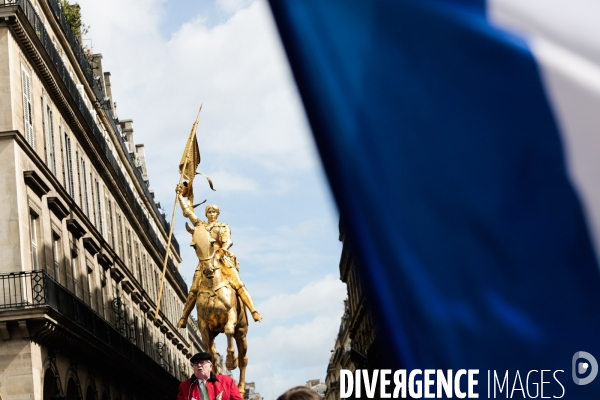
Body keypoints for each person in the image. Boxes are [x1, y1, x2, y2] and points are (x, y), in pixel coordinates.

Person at [176, 183, 262, 328]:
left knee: (238, 284)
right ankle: (184, 317)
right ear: (206, 214)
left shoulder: (223, 227)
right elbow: (188, 213)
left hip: (221, 258)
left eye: (214, 212)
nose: (211, 214)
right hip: (205, 261)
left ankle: (253, 311)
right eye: (209, 212)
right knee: (193, 290)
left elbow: (228, 240)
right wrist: (179, 196)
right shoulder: (201, 226)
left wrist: (222, 250)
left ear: (218, 214)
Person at [178, 352, 243, 400]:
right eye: (196, 363)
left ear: (210, 366)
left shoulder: (226, 382)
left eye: (202, 362)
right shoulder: (184, 387)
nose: (199, 365)